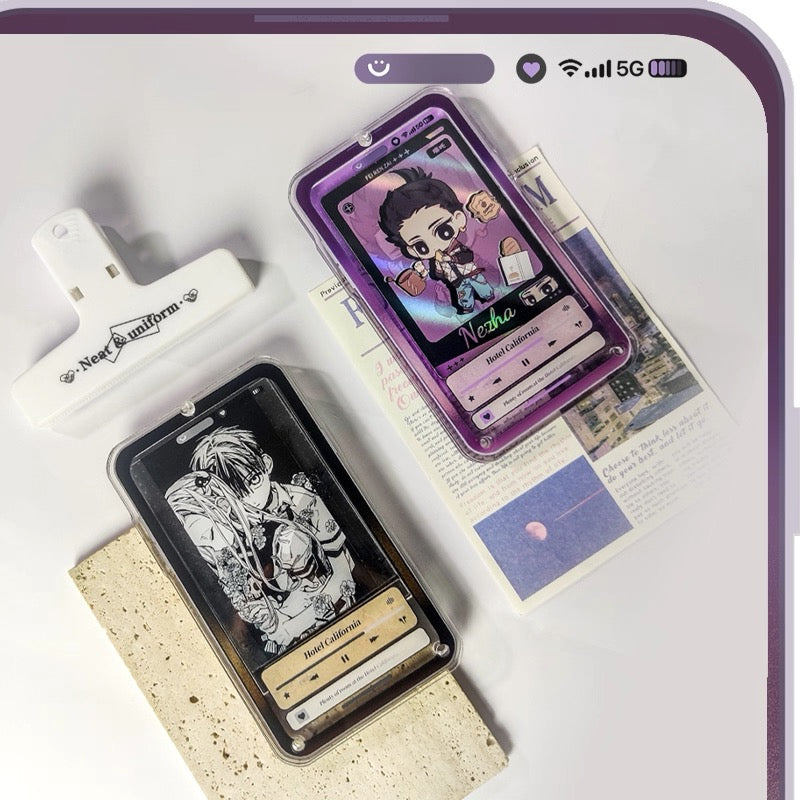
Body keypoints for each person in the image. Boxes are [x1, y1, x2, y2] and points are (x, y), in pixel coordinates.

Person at [379, 166, 495, 314]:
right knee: (463, 294)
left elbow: (467, 256)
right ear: (412, 250)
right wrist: (437, 268)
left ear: (458, 219)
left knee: (481, 285)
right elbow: (439, 274)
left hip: (471, 272)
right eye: (421, 246)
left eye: (443, 231)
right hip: (456, 281)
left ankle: (488, 295)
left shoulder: (456, 247)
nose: (435, 246)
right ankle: (467, 307)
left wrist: (451, 258)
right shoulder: (436, 261)